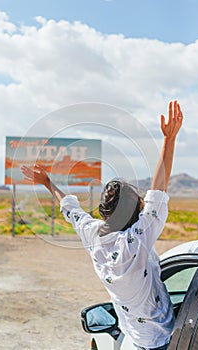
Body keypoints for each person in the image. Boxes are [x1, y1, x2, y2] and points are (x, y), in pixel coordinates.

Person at [21, 100, 183, 350]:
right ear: (137, 209)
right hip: (162, 338)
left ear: (105, 212)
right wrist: (169, 140)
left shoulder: (92, 235)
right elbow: (159, 189)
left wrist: (47, 182)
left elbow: (69, 208)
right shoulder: (137, 239)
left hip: (137, 338)